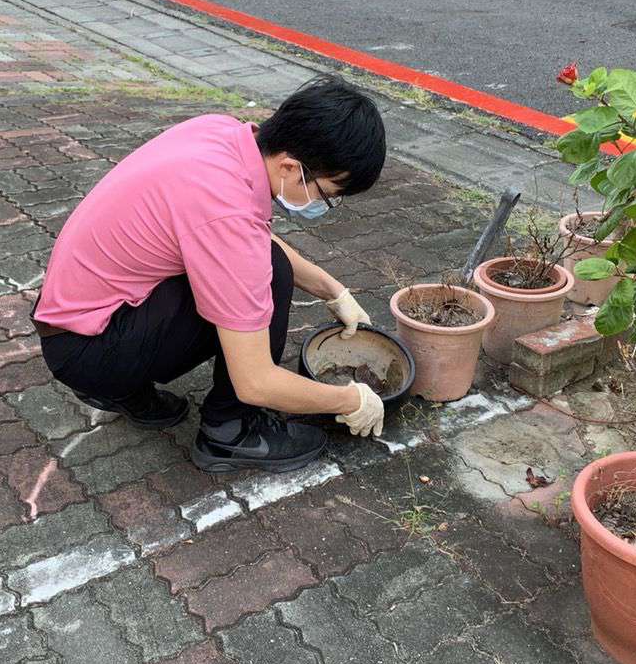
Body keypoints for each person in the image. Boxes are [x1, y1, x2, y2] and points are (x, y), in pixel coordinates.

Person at [33, 74, 388, 473]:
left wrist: (332, 290)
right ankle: (231, 433)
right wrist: (349, 399)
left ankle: (124, 390)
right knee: (271, 274)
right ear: (291, 167)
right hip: (89, 348)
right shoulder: (227, 213)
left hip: (74, 321)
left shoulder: (221, 133)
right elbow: (256, 380)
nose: (327, 205)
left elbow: (245, 231)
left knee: (262, 259)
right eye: (329, 194)